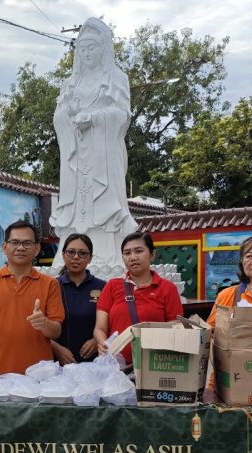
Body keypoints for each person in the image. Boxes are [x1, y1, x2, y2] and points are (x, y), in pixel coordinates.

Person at [50, 17, 137, 267]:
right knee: (77, 205)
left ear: (104, 49)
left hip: (104, 155)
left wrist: (95, 118)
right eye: (83, 48)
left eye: (92, 47)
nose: (87, 53)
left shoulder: (116, 79)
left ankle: (109, 253)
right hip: (76, 154)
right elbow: (58, 116)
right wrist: (70, 114)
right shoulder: (69, 84)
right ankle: (68, 254)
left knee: (106, 202)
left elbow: (122, 116)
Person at [0, 221, 65, 374]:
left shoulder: (50, 284)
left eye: (27, 243)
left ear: (37, 248)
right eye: (15, 242)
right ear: (4, 247)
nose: (21, 248)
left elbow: (56, 331)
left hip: (37, 373)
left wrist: (44, 323)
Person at [94, 232, 183, 365]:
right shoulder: (112, 286)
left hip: (154, 366)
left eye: (139, 251)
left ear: (152, 255)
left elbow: (176, 329)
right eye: (127, 253)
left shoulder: (167, 289)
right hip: (118, 368)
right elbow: (100, 328)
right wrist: (103, 343)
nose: (133, 257)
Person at [51, 234, 105, 364]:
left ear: (90, 258)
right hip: (58, 363)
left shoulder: (103, 287)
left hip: (94, 363)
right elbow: (40, 328)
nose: (76, 257)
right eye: (71, 252)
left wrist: (96, 340)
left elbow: (112, 322)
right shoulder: (51, 286)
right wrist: (56, 349)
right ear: (63, 255)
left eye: (82, 253)